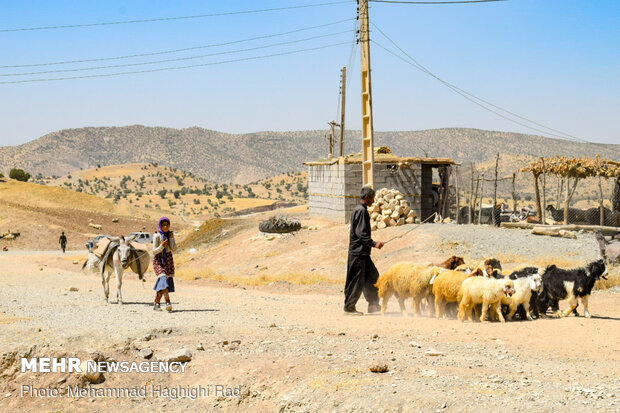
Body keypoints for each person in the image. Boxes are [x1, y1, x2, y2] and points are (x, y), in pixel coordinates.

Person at [344, 186, 384, 315]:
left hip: (363, 253)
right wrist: (374, 244)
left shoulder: (360, 209)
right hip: (358, 253)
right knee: (356, 280)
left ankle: (373, 305)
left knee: (373, 277)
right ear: (367, 197)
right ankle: (349, 308)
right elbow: (361, 234)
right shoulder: (361, 211)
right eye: (372, 198)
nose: (373, 200)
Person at [152, 217, 177, 312]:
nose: (166, 227)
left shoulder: (170, 235)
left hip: (168, 261)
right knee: (163, 280)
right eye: (164, 225)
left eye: (167, 225)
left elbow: (174, 249)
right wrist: (162, 245)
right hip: (159, 261)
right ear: (160, 226)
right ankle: (168, 302)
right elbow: (154, 251)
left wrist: (171, 238)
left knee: (163, 283)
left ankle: (156, 304)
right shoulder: (157, 236)